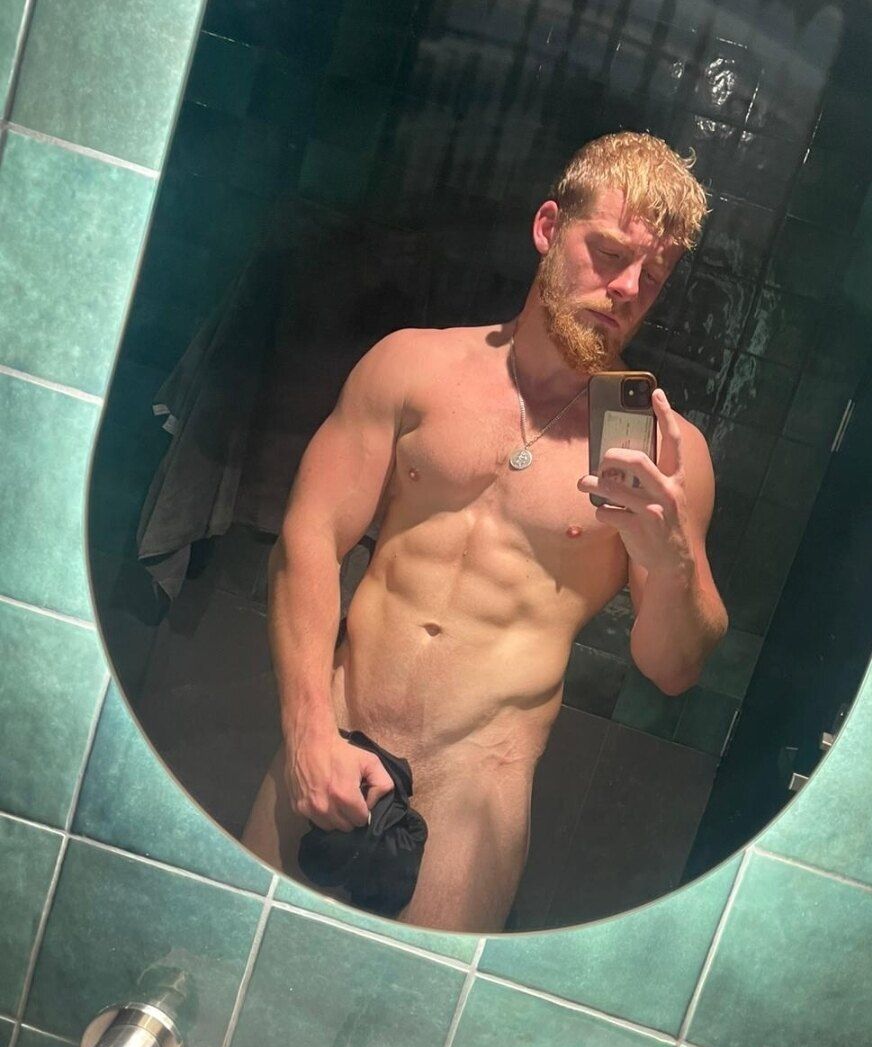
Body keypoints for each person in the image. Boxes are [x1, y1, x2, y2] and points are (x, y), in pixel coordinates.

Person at [241, 131, 729, 931]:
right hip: (330, 737)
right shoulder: (413, 367)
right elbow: (309, 538)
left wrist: (672, 557)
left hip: (474, 794)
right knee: (223, 959)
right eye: (608, 254)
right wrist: (306, 734)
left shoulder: (660, 452)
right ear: (548, 227)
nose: (626, 289)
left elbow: (673, 670)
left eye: (654, 275)